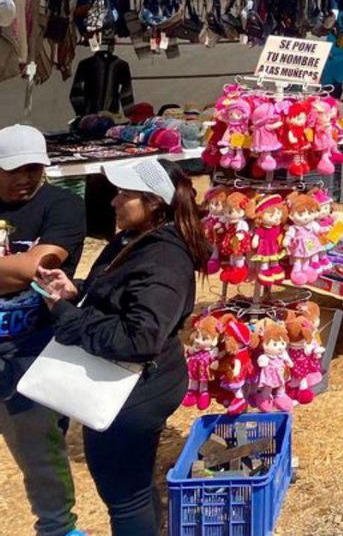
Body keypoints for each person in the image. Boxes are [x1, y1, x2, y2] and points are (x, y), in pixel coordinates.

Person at [34, 159, 209, 536]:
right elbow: (121, 297)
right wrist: (76, 291)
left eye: (124, 195)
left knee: (123, 491)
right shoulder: (134, 239)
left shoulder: (163, 257)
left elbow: (139, 338)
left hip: (136, 391)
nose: (114, 202)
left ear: (154, 203)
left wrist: (67, 317)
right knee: (134, 482)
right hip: (137, 383)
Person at [0, 125, 87, 536]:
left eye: (35, 168)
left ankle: (57, 529)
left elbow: (34, 268)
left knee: (41, 453)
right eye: (15, 169)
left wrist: (23, 270)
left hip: (30, 353)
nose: (27, 177)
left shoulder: (64, 206)